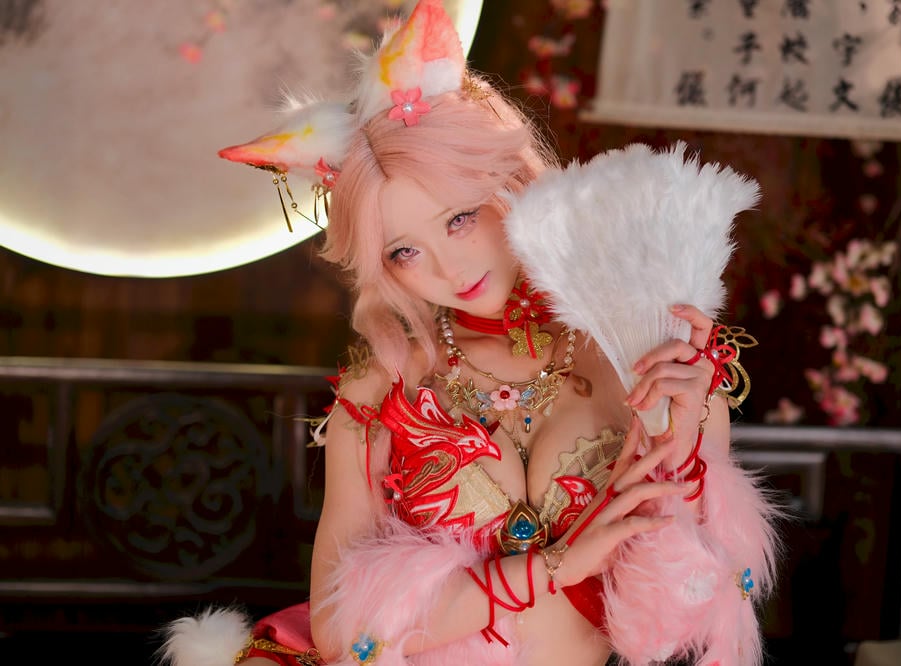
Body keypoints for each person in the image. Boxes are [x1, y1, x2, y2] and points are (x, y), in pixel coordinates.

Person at [159, 1, 780, 665]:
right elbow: (342, 632)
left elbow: (684, 625)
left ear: (507, 181)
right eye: (405, 251)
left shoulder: (644, 360)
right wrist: (556, 565)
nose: (450, 269)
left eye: (459, 219)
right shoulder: (379, 391)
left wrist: (683, 453)